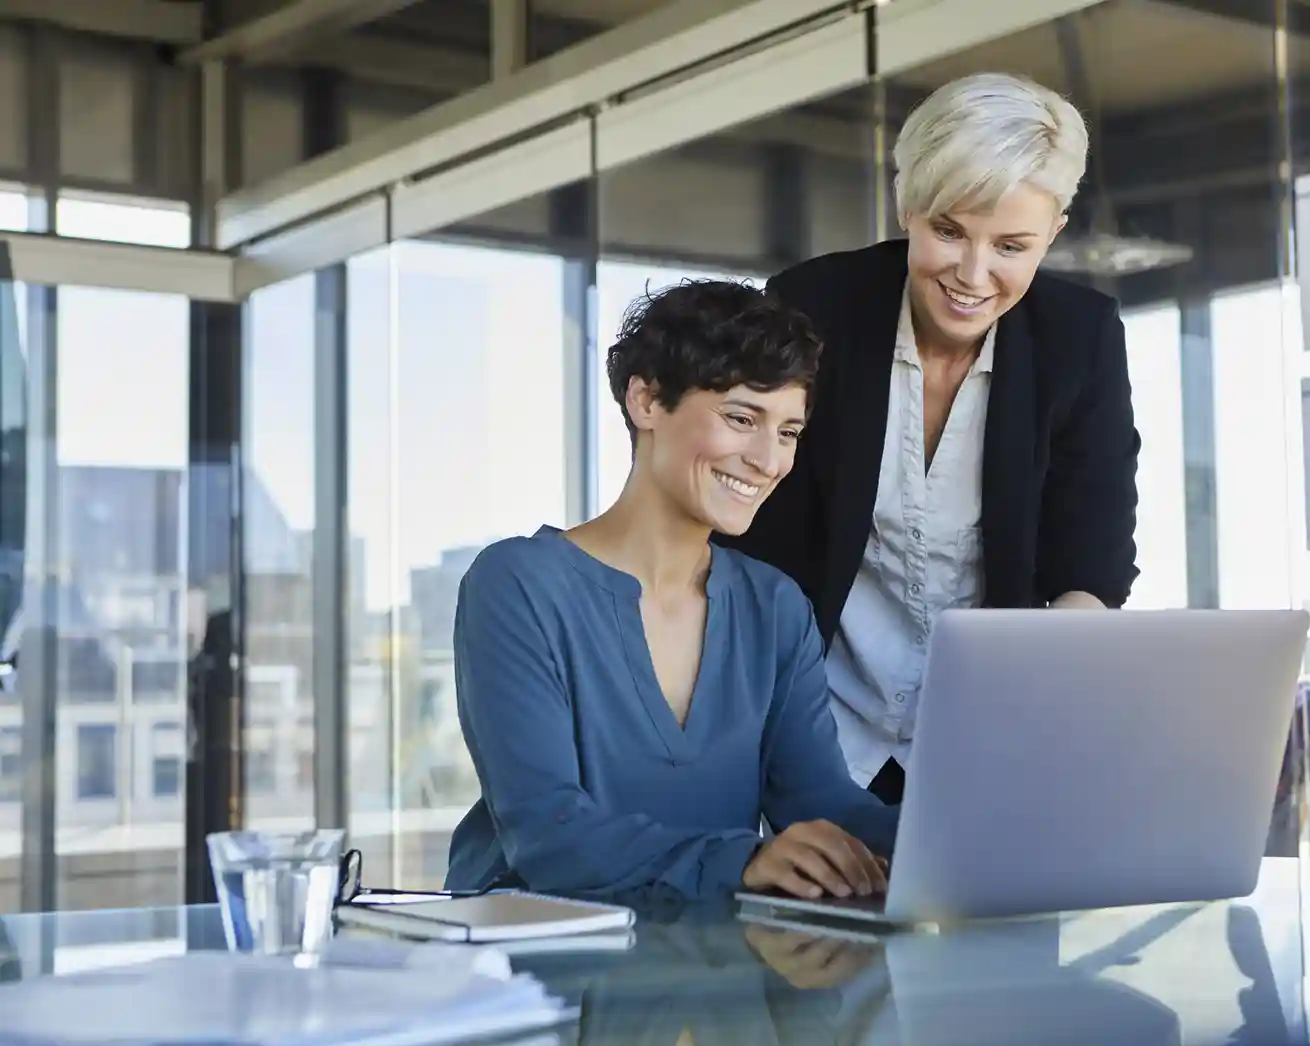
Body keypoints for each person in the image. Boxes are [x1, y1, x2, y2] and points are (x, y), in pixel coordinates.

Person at [720, 72, 1141, 803]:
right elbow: (752, 543)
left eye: (1011, 245)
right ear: (907, 205)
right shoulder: (812, 308)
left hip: (987, 739)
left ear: (1054, 233)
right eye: (948, 231)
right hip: (814, 726)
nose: (972, 276)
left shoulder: (1080, 338)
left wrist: (1044, 681)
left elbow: (1094, 561)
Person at [444, 279, 896, 904]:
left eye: (788, 432)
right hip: (539, 973)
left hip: (710, 976)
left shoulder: (774, 607)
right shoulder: (518, 586)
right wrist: (747, 860)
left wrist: (953, 842)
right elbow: (548, 833)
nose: (768, 460)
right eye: (742, 418)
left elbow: (819, 802)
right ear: (647, 401)